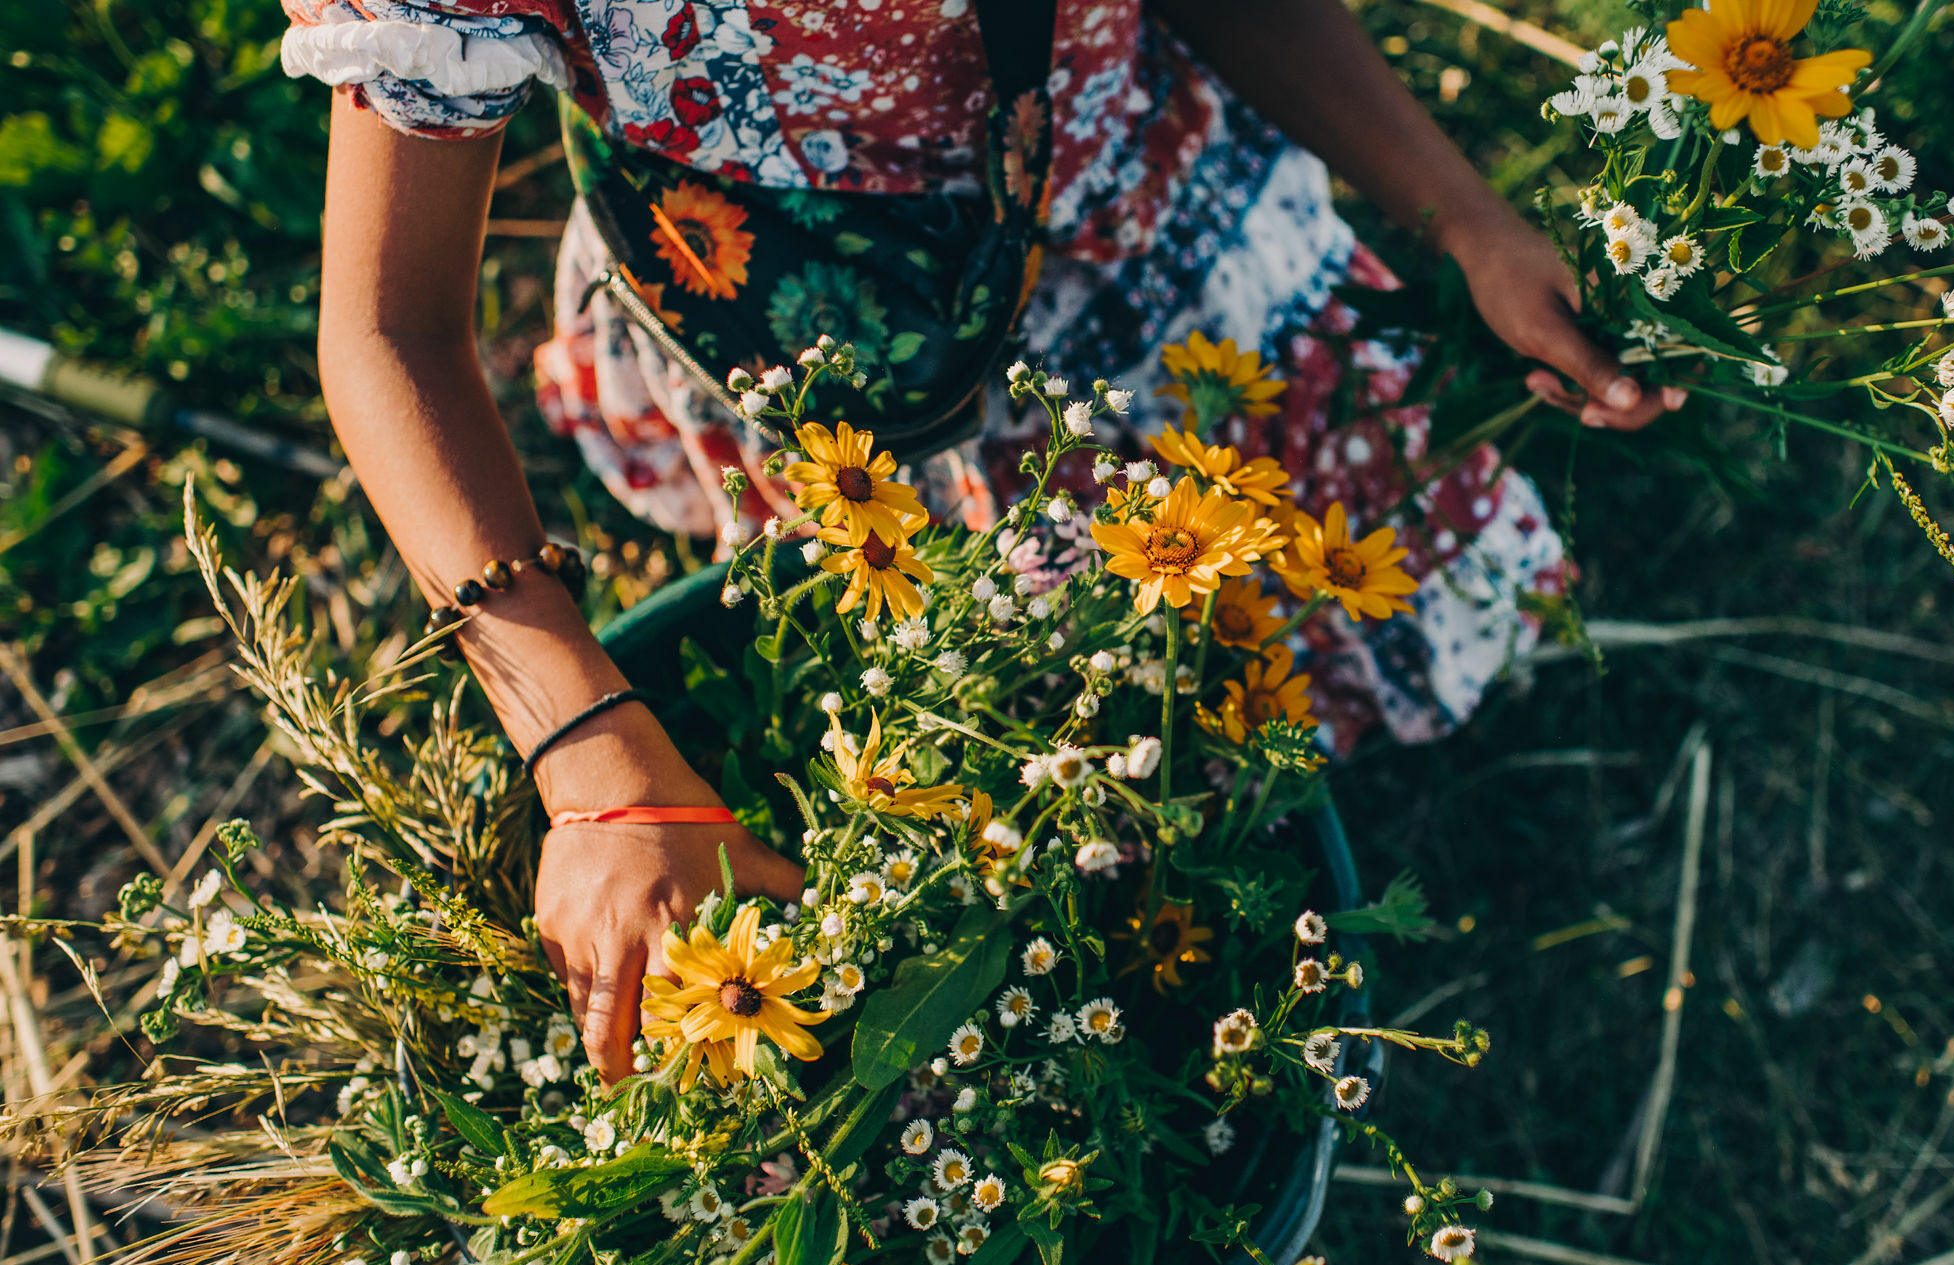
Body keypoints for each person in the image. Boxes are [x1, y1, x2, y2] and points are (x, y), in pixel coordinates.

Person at [284, 0, 1682, 1080]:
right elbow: (386, 330)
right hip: (808, 338)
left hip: (1141, 219)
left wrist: (1463, 216)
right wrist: (588, 753)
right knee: (973, 735)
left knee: (1214, 677)